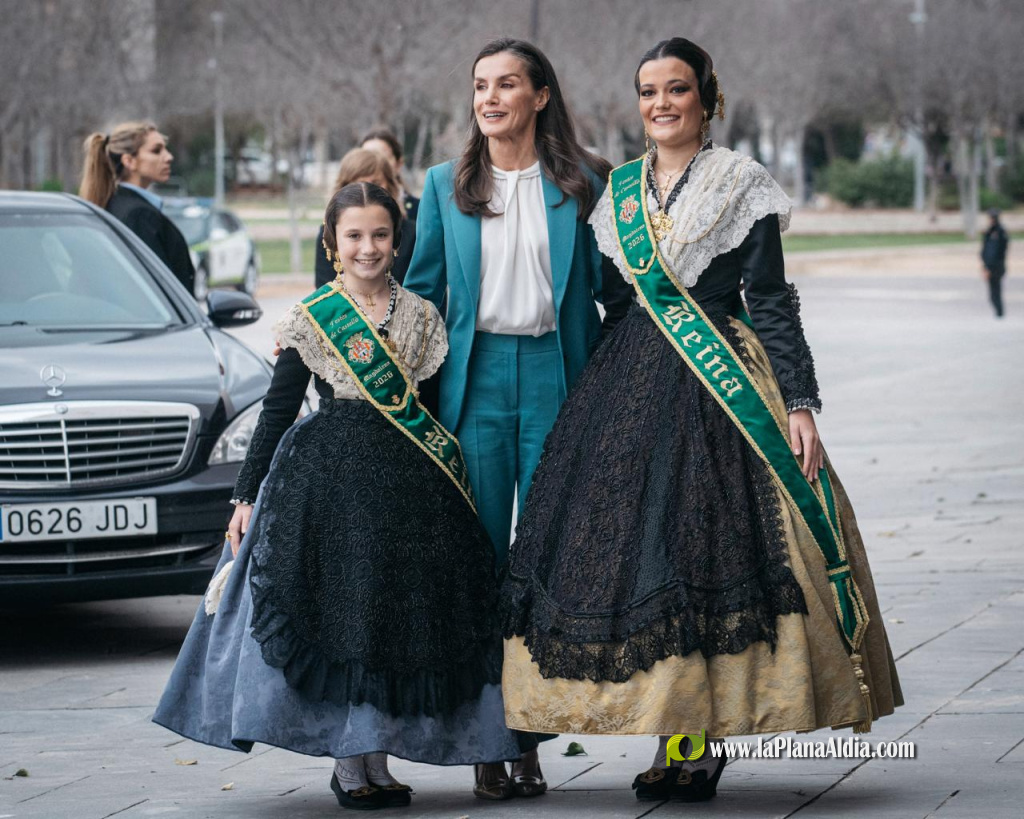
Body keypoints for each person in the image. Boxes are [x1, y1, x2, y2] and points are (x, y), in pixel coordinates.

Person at [500, 37, 903, 804]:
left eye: (676, 90)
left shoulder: (741, 183)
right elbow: (617, 303)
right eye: (648, 91)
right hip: (629, 388)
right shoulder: (620, 191)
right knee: (642, 560)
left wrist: (799, 400)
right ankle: (670, 731)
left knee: (708, 558)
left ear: (706, 98)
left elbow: (773, 300)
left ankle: (700, 741)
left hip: (720, 389)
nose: (661, 104)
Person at [154, 183, 530, 811]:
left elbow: (431, 414)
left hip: (408, 492)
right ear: (333, 243)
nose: (368, 248)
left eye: (380, 235)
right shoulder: (312, 316)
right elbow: (276, 413)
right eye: (354, 236)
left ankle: (378, 759)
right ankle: (350, 763)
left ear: (396, 240)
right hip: (329, 488)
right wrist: (245, 496)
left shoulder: (421, 318)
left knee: (388, 622)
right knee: (344, 617)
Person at [403, 37, 632, 800]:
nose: (490, 98)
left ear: (540, 95)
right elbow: (423, 298)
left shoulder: (584, 182)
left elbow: (614, 290)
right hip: (474, 387)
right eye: (479, 86)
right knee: (478, 564)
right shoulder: (444, 185)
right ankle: (483, 740)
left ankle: (528, 734)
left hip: (557, 380)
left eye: (507, 84)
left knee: (542, 565)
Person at [79, 121, 195, 295]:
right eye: (156, 150)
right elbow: (157, 291)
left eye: (165, 149)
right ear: (129, 161)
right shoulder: (138, 216)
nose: (169, 157)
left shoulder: (114, 206)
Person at [314, 148, 415, 287]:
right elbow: (323, 284)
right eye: (354, 236)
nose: (367, 189)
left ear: (390, 184)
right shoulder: (328, 232)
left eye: (381, 234)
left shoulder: (413, 233)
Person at [360, 127, 420, 223]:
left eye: (382, 157)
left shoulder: (420, 210)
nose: (374, 164)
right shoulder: (345, 209)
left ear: (399, 164)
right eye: (366, 158)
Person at [981, 208, 1009, 317]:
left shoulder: (998, 232)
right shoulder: (992, 231)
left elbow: (993, 252)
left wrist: (988, 267)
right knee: (994, 292)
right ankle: (999, 313)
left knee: (995, 292)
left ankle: (999, 314)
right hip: (993, 265)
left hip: (995, 266)